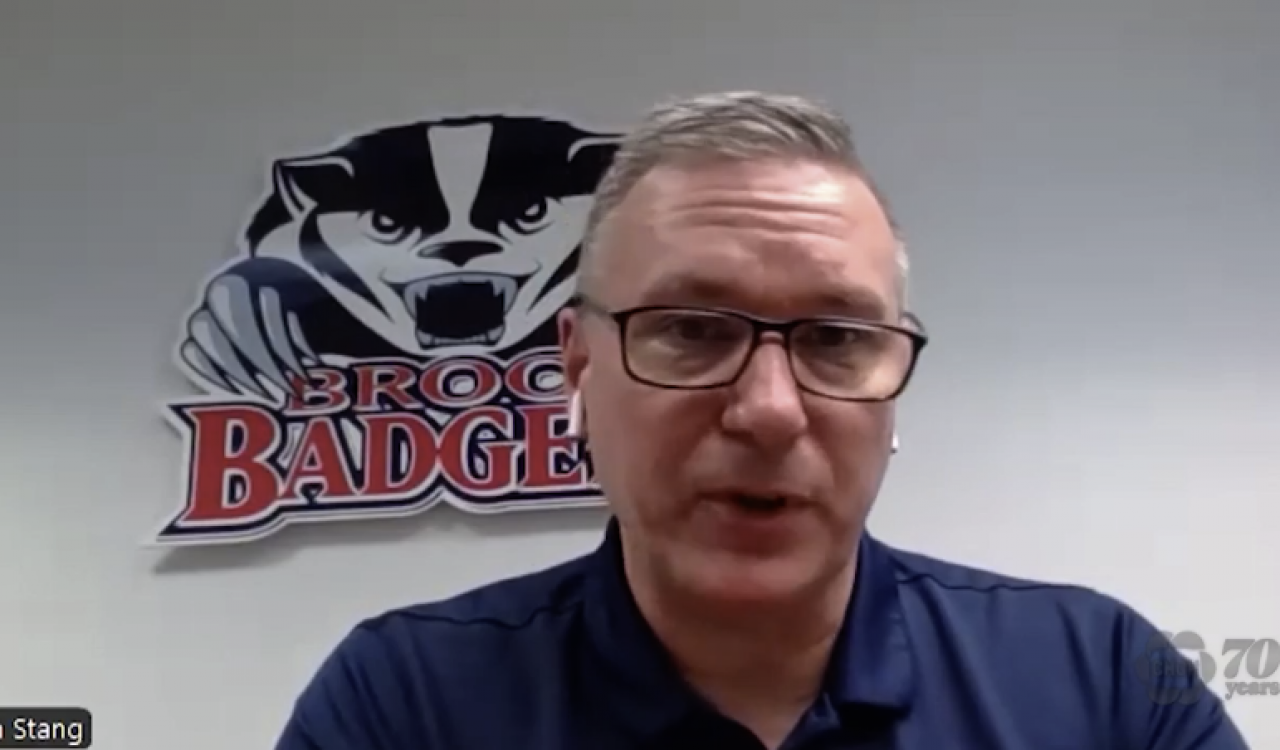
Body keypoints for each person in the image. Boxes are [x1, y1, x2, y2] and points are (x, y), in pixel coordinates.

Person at [272, 91, 1250, 749]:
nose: (770, 410)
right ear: (577, 365)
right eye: (690, 330)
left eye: (833, 339)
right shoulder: (403, 706)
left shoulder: (1104, 689)